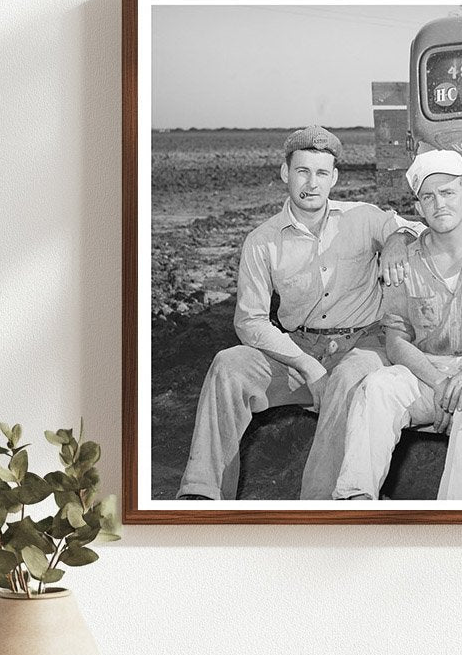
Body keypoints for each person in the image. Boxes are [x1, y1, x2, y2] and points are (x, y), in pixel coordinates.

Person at [176, 125, 419, 501]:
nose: (312, 183)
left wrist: (397, 240)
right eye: (302, 171)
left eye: (321, 173)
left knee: (349, 378)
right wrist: (307, 366)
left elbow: (411, 227)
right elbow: (250, 320)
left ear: (334, 178)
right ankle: (202, 495)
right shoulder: (262, 240)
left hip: (364, 343)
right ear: (285, 173)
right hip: (299, 348)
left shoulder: (362, 217)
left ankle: (321, 505)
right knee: (229, 366)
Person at [332, 149, 462, 501]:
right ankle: (356, 502)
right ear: (418, 208)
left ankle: (456, 521)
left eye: (448, 193)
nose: (439, 204)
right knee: (377, 387)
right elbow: (397, 340)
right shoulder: (404, 261)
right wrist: (440, 382)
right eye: (428, 197)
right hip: (426, 373)